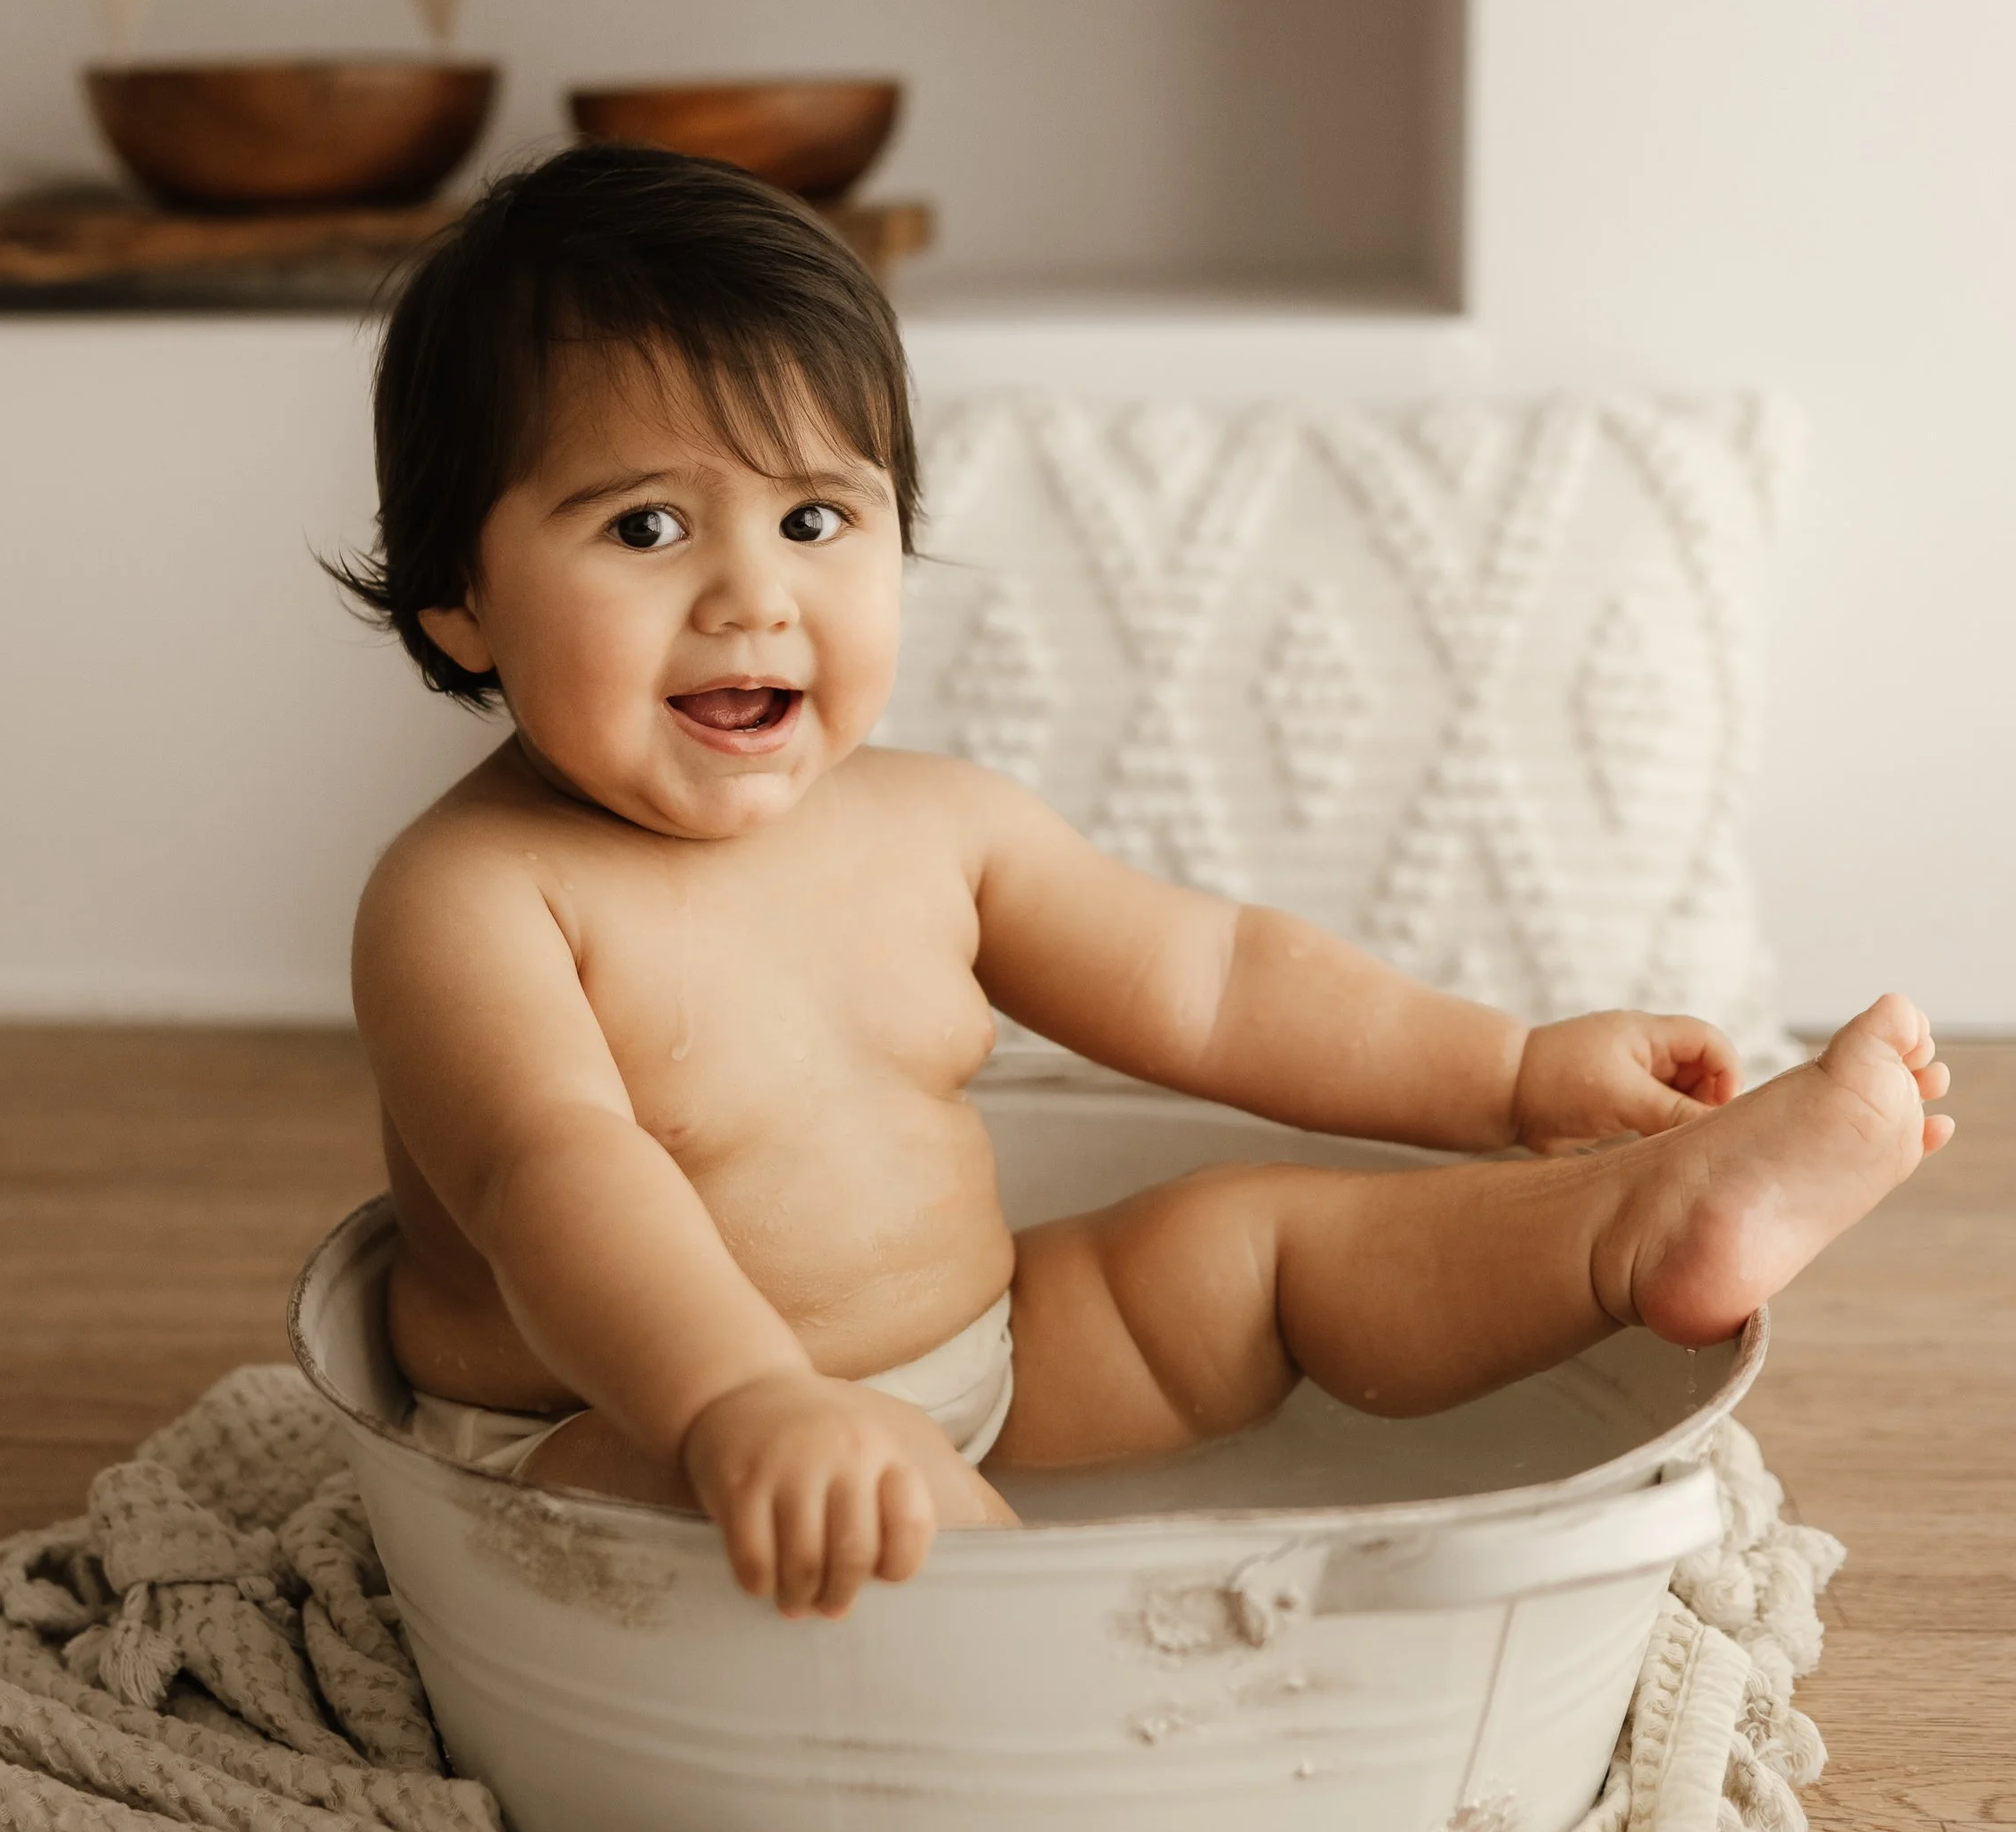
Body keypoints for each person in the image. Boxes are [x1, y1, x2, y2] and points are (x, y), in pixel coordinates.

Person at [338, 145, 1950, 1619]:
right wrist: (738, 1404)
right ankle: (1089, 1672)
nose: (752, 596)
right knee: (794, 1519)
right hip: (615, 1437)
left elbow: (1219, 983)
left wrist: (1509, 1074)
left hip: (996, 1353)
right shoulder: (472, 903)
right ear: (460, 598)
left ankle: (1632, 1233)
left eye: (818, 515)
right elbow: (560, 1183)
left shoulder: (935, 826)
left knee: (1257, 1247)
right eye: (645, 528)